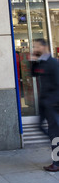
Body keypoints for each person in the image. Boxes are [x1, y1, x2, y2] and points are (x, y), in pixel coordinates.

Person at [31, 39, 59, 172]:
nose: (35, 48)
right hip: (45, 103)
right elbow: (34, 74)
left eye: (36, 46)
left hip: (53, 103)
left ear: (44, 47)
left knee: (54, 133)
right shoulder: (42, 62)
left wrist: (55, 101)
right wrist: (33, 60)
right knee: (40, 127)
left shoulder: (53, 63)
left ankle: (57, 163)